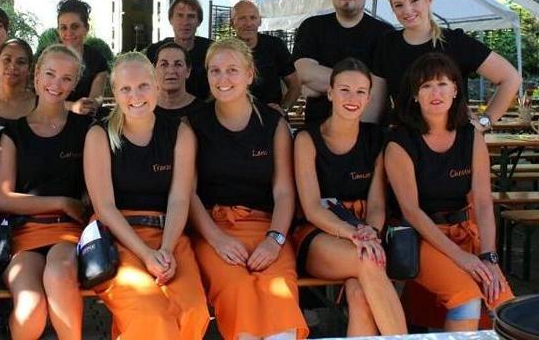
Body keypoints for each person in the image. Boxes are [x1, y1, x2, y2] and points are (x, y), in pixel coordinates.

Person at [83, 52, 209, 339]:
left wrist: (166, 250)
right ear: (115, 93)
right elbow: (104, 206)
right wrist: (147, 255)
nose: (135, 96)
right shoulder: (100, 135)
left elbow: (180, 198)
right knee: (150, 313)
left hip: (169, 234)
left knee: (192, 310)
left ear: (156, 86)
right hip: (119, 237)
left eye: (143, 86)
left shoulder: (179, 133)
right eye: (126, 89)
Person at [188, 38, 308, 340]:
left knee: (278, 292)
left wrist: (275, 240)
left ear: (249, 74)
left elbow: (284, 192)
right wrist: (217, 240)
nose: (223, 78)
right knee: (239, 289)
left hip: (266, 227)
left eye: (232, 70)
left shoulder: (273, 124)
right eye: (215, 71)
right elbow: (187, 194)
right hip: (214, 229)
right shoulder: (194, 124)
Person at [385, 52, 513, 331]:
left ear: (455, 89)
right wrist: (461, 258)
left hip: (465, 232)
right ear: (415, 95)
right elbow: (411, 211)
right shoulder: (400, 142)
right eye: (426, 86)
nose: (436, 93)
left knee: (504, 305)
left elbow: (483, 202)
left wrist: (489, 257)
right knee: (467, 299)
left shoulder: (471, 135)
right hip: (421, 237)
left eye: (443, 84)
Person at [293, 58, 406, 337]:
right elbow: (311, 208)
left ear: (368, 98)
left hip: (365, 231)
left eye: (360, 92)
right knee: (368, 260)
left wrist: (371, 232)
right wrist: (354, 235)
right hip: (319, 232)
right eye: (344, 90)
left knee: (359, 295)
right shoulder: (307, 139)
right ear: (330, 93)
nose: (352, 98)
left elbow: (376, 203)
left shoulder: (377, 139)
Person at [0, 44, 91, 340]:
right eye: (50, 74)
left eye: (66, 78)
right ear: (36, 75)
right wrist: (61, 202)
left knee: (58, 274)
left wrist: (80, 206)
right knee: (30, 307)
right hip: (25, 233)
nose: (56, 84)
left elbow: (94, 191)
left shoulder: (86, 129)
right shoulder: (14, 133)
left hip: (70, 232)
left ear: (74, 84)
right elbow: (4, 199)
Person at [373, 0, 521, 129]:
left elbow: (511, 78)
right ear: (393, 9)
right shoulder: (387, 45)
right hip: (404, 138)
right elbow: (376, 101)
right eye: (399, 5)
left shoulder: (456, 42)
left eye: (414, 0)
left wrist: (484, 122)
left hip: (454, 138)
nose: (407, 10)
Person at [293, 0, 393, 125]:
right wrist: (363, 86)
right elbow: (303, 73)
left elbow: (378, 93)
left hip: (368, 131)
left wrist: (318, 87)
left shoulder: (385, 34)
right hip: (318, 129)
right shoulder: (312, 27)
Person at [230, 0, 301, 112]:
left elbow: (295, 85)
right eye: (242, 18)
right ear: (232, 23)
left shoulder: (275, 45)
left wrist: (283, 109)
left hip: (270, 116)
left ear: (260, 21)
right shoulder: (225, 50)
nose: (248, 23)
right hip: (235, 114)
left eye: (253, 18)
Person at [145, 0, 213, 101]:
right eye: (180, 15)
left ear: (199, 21)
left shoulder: (211, 51)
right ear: (171, 20)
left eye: (191, 16)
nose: (185, 22)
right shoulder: (154, 51)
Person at [56, 0, 108, 116]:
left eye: (75, 27)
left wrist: (93, 103)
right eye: (63, 27)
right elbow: (40, 98)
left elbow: (98, 97)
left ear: (86, 28)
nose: (69, 33)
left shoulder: (97, 60)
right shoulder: (47, 58)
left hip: (85, 119)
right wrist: (72, 106)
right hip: (50, 119)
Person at [153, 41, 200, 120]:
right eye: (164, 64)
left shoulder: (203, 111)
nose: (171, 71)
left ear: (188, 71)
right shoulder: (143, 109)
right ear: (154, 69)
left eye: (178, 64)